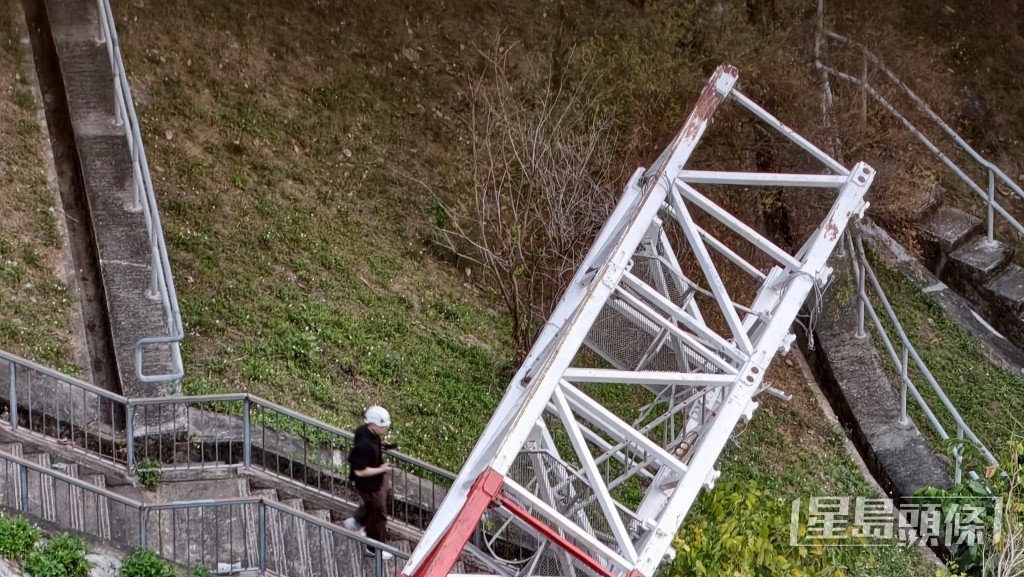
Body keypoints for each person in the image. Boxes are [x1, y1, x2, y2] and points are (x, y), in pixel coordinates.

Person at [344, 405, 395, 560]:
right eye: (383, 426)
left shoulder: (366, 431)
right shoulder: (364, 446)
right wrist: (382, 468)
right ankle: (374, 548)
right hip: (369, 485)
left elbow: (372, 445)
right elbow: (360, 471)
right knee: (379, 515)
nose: (386, 428)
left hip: (377, 481)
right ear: (373, 425)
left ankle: (358, 521)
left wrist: (384, 447)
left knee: (388, 495)